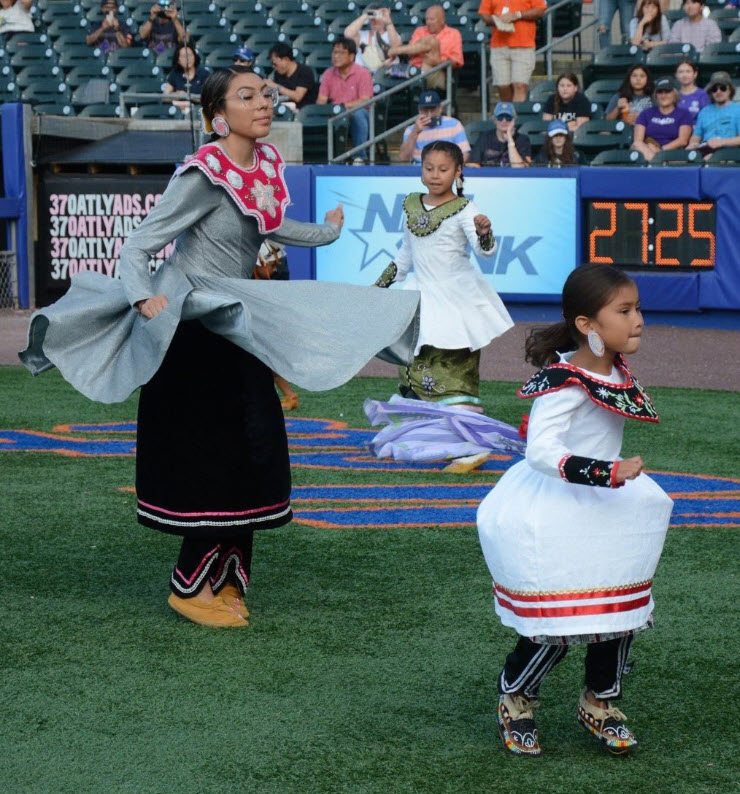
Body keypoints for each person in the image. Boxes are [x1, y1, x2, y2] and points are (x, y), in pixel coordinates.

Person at [19, 66, 420, 628]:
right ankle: (189, 586)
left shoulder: (262, 168)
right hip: (191, 334)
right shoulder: (204, 174)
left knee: (254, 448)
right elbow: (138, 246)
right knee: (211, 458)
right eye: (246, 95)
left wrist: (328, 231)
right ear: (217, 115)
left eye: (265, 93)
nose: (263, 102)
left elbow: (274, 226)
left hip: (234, 323)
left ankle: (226, 580)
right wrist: (143, 299)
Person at [477, 263, 673, 757]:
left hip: (610, 508)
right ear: (587, 325)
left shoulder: (614, 369)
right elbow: (541, 452)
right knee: (556, 620)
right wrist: (604, 473)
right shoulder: (565, 380)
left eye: (637, 309)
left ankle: (599, 701)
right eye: (624, 311)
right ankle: (516, 697)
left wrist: (613, 478)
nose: (638, 319)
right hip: (558, 507)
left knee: (616, 613)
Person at [368, 140, 514, 473]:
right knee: (417, 373)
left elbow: (485, 251)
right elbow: (404, 256)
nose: (435, 175)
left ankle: (472, 447)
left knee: (455, 377)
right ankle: (435, 440)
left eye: (443, 169)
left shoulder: (466, 209)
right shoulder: (410, 205)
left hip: (455, 304)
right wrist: (378, 288)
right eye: (428, 168)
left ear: (458, 172)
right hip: (421, 302)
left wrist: (486, 233)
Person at [477, 0, 546, 103]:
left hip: (523, 44)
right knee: (502, 85)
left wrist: (517, 15)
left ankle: (517, 116)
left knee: (520, 85)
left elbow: (540, 10)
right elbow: (484, 13)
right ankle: (509, 114)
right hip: (499, 45)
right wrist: (496, 20)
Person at [317, 37, 374, 161]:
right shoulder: (328, 74)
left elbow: (365, 100)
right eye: (334, 52)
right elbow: (321, 100)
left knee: (359, 114)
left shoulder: (363, 73)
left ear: (352, 56)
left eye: (341, 53)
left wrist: (344, 107)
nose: (336, 56)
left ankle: (360, 157)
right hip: (335, 113)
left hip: (355, 112)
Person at [387, 5, 463, 91]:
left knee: (432, 42)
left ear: (442, 20)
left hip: (438, 71)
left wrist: (438, 62)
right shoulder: (420, 31)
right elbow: (410, 52)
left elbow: (456, 62)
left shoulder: (453, 34)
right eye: (427, 19)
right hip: (413, 70)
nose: (428, 23)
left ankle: (397, 50)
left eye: (432, 19)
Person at [399, 90, 470, 164]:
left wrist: (451, 169)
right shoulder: (411, 130)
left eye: (433, 110)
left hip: (448, 168)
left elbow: (465, 153)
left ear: (440, 109)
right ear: (419, 110)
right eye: (425, 110)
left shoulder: (454, 125)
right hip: (419, 169)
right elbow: (403, 158)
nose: (429, 115)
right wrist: (415, 132)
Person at [632, 76, 693, 161]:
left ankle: (656, 164)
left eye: (667, 92)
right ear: (656, 95)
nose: (663, 95)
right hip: (648, 151)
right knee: (637, 145)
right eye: (660, 92)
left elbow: (683, 140)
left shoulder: (684, 114)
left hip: (672, 153)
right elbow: (638, 141)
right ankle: (657, 164)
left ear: (674, 94)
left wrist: (661, 150)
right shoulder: (646, 113)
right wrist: (650, 150)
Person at [687, 71, 740, 159]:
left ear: (730, 90)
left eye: (723, 88)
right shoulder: (704, 111)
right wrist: (693, 144)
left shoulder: (738, 109)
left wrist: (722, 142)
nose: (718, 92)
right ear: (711, 92)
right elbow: (696, 137)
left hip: (730, 154)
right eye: (714, 89)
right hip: (705, 151)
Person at [467, 101, 531, 167]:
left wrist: (510, 141)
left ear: (514, 120)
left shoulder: (522, 140)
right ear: (495, 120)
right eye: (500, 117)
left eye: (508, 117)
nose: (504, 121)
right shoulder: (485, 137)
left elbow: (519, 168)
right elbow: (473, 164)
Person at [343, 4, 402, 74]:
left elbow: (396, 46)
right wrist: (365, 16)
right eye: (372, 19)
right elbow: (348, 34)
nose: (375, 20)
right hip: (362, 75)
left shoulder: (390, 34)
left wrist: (388, 21)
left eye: (378, 16)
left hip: (385, 74)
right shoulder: (362, 35)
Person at [266, 41, 318, 112]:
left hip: (303, 111)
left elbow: (298, 96)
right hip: (284, 111)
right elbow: (275, 99)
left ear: (285, 59)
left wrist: (276, 86)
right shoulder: (278, 74)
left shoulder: (304, 71)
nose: (273, 67)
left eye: (275, 64)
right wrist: (269, 89)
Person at [164, 43, 210, 113]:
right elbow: (164, 97)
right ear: (178, 60)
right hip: (179, 112)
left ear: (194, 56)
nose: (187, 59)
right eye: (183, 56)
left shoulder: (204, 74)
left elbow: (209, 98)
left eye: (190, 55)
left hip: (199, 112)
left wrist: (188, 96)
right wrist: (177, 95)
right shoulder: (175, 73)